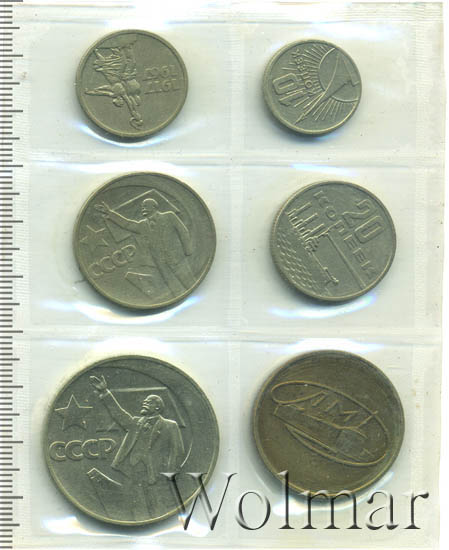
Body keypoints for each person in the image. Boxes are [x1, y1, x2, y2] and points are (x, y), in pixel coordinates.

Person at [89, 374, 184, 518]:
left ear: (157, 407)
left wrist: (169, 473)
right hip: (132, 470)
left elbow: (177, 451)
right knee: (134, 502)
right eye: (144, 401)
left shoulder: (170, 425)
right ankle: (136, 522)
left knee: (155, 503)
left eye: (149, 402)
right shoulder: (135, 422)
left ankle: (154, 523)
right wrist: (105, 392)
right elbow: (118, 414)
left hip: (155, 473)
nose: (144, 403)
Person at [95, 197, 195, 296]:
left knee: (190, 283)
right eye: (142, 206)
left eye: (146, 206)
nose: (143, 208)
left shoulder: (169, 216)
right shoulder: (142, 225)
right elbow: (127, 224)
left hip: (177, 259)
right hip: (160, 263)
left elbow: (183, 231)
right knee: (174, 289)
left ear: (154, 207)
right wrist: (110, 213)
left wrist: (188, 251)